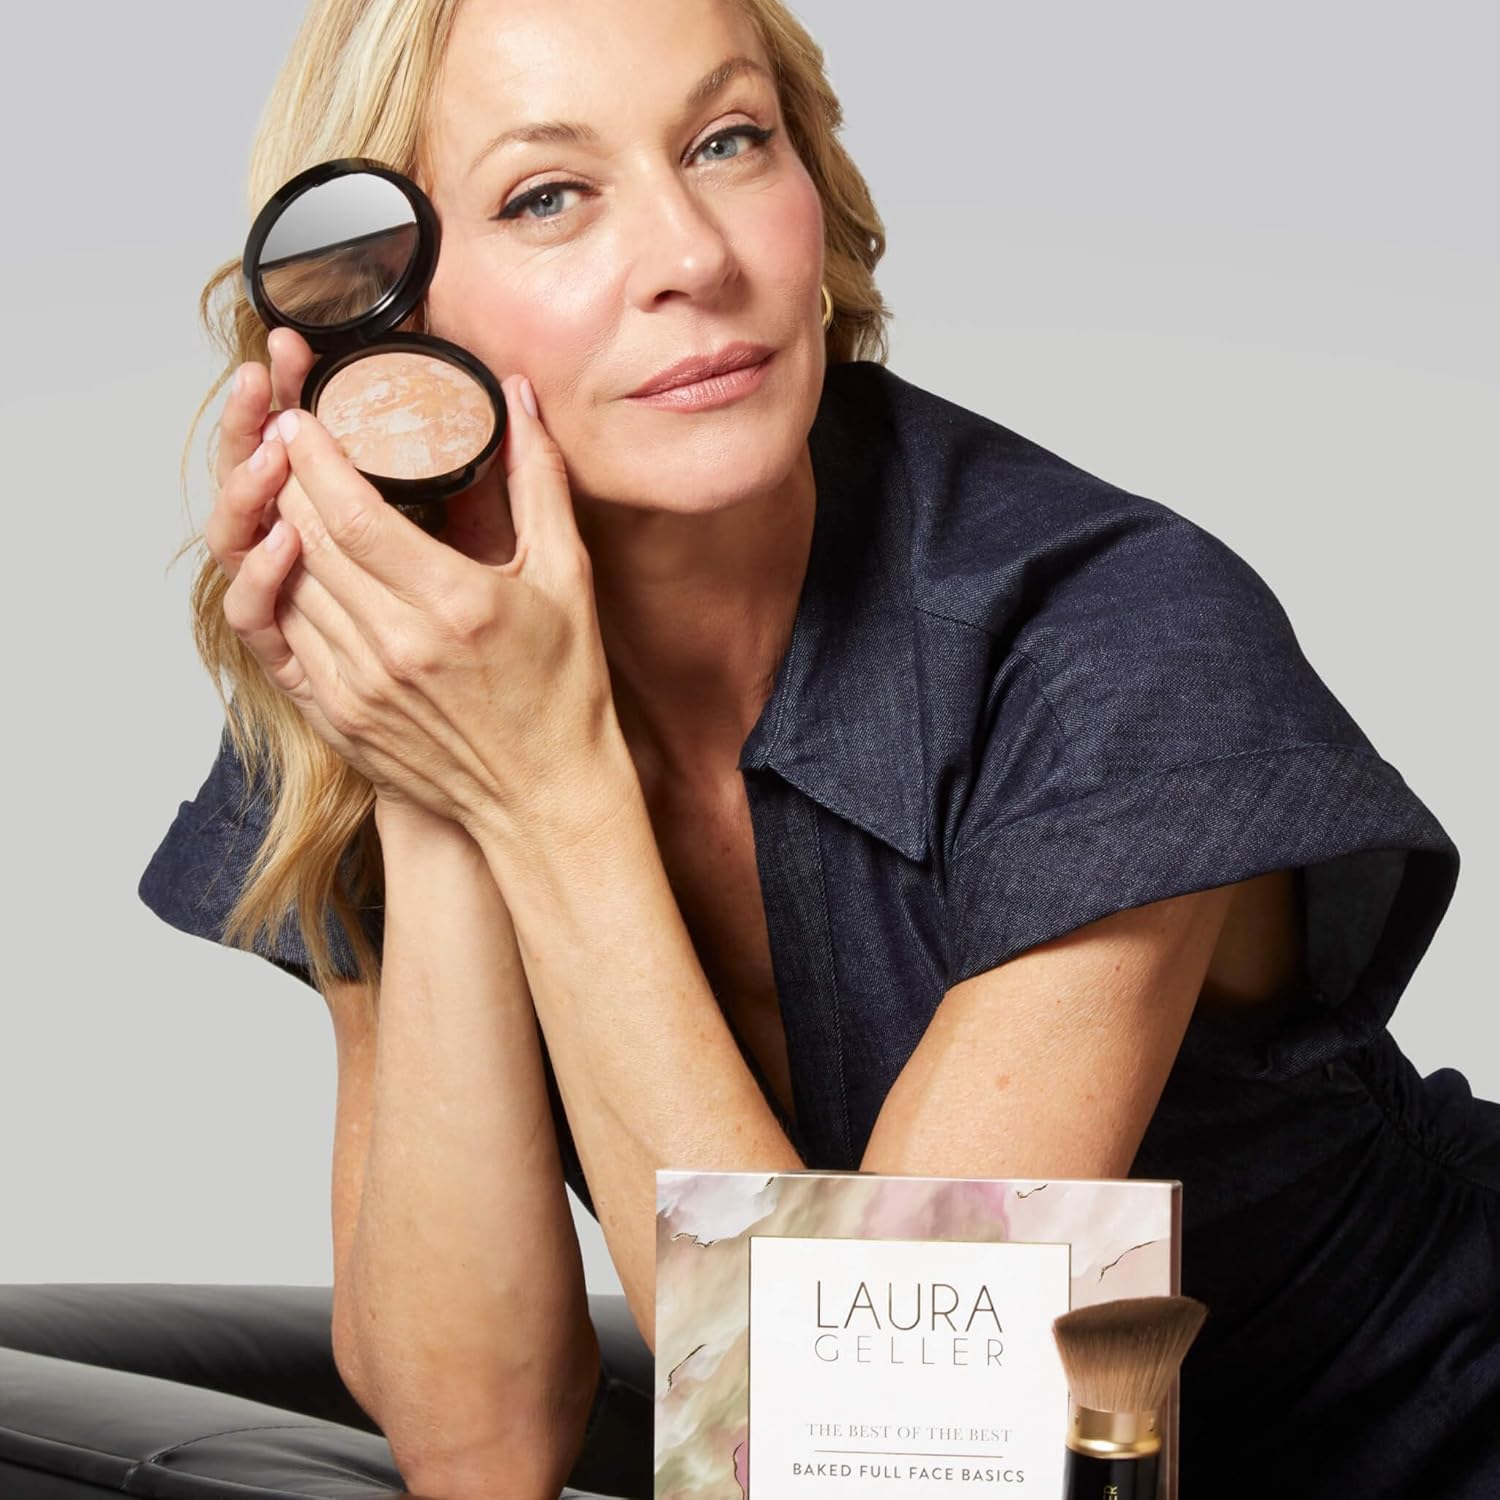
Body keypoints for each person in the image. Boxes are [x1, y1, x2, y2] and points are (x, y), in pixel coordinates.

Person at [137, 0, 1500, 1496]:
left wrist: (550, 795)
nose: (693, 256)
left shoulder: (1109, 639)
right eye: (548, 196)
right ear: (383, 316)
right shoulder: (412, 672)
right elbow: (480, 1447)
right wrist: (434, 778)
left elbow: (879, 1455)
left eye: (729, 141)